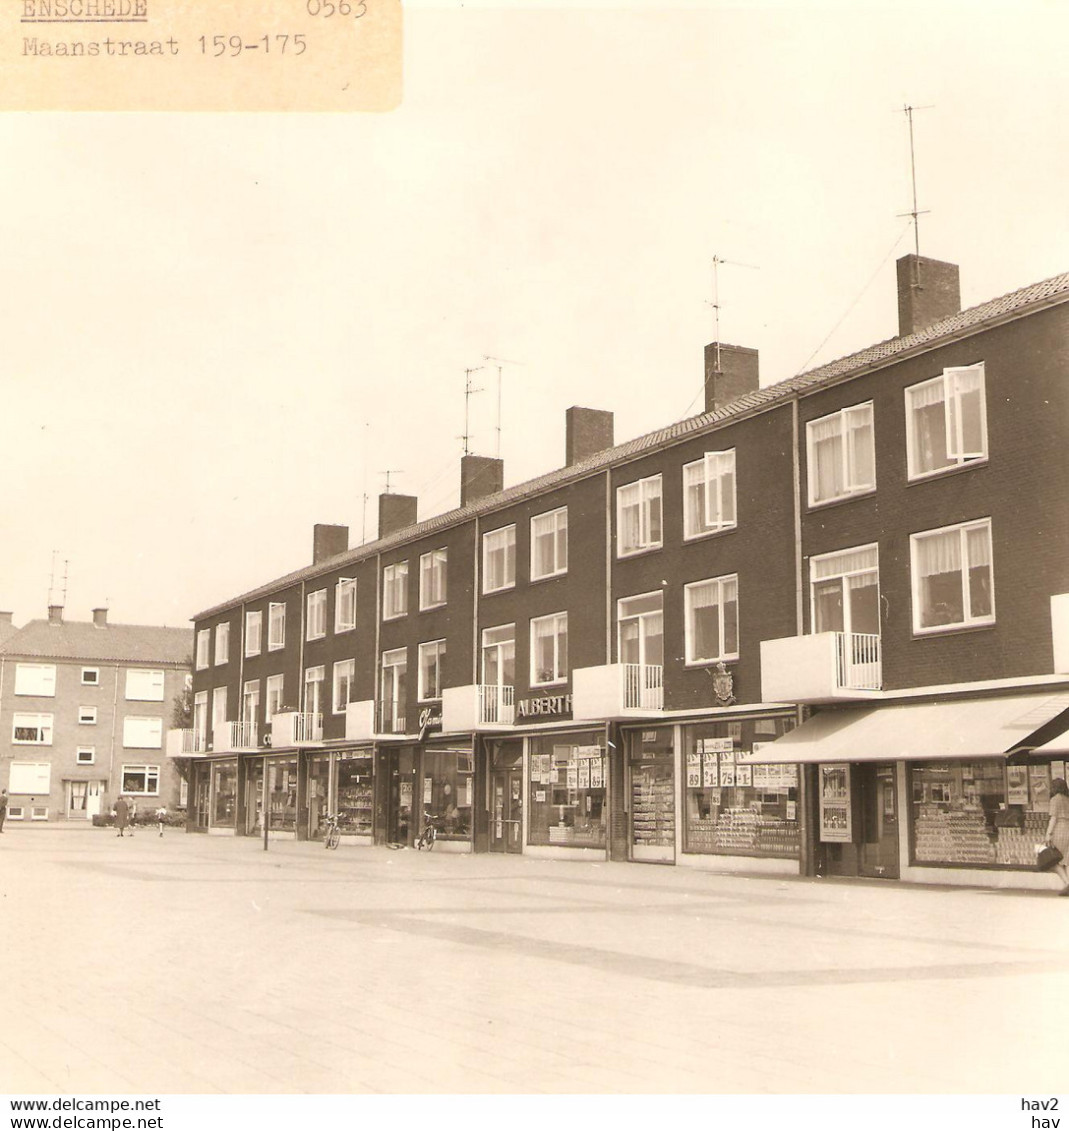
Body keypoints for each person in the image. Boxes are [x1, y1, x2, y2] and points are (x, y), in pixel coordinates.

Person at [1045, 777, 1069, 895]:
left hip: (1059, 830)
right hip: (1068, 829)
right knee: (1064, 860)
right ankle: (1066, 884)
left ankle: (1067, 883)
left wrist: (1048, 834)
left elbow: (1053, 818)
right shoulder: (1067, 799)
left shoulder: (1055, 799)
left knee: (1054, 861)